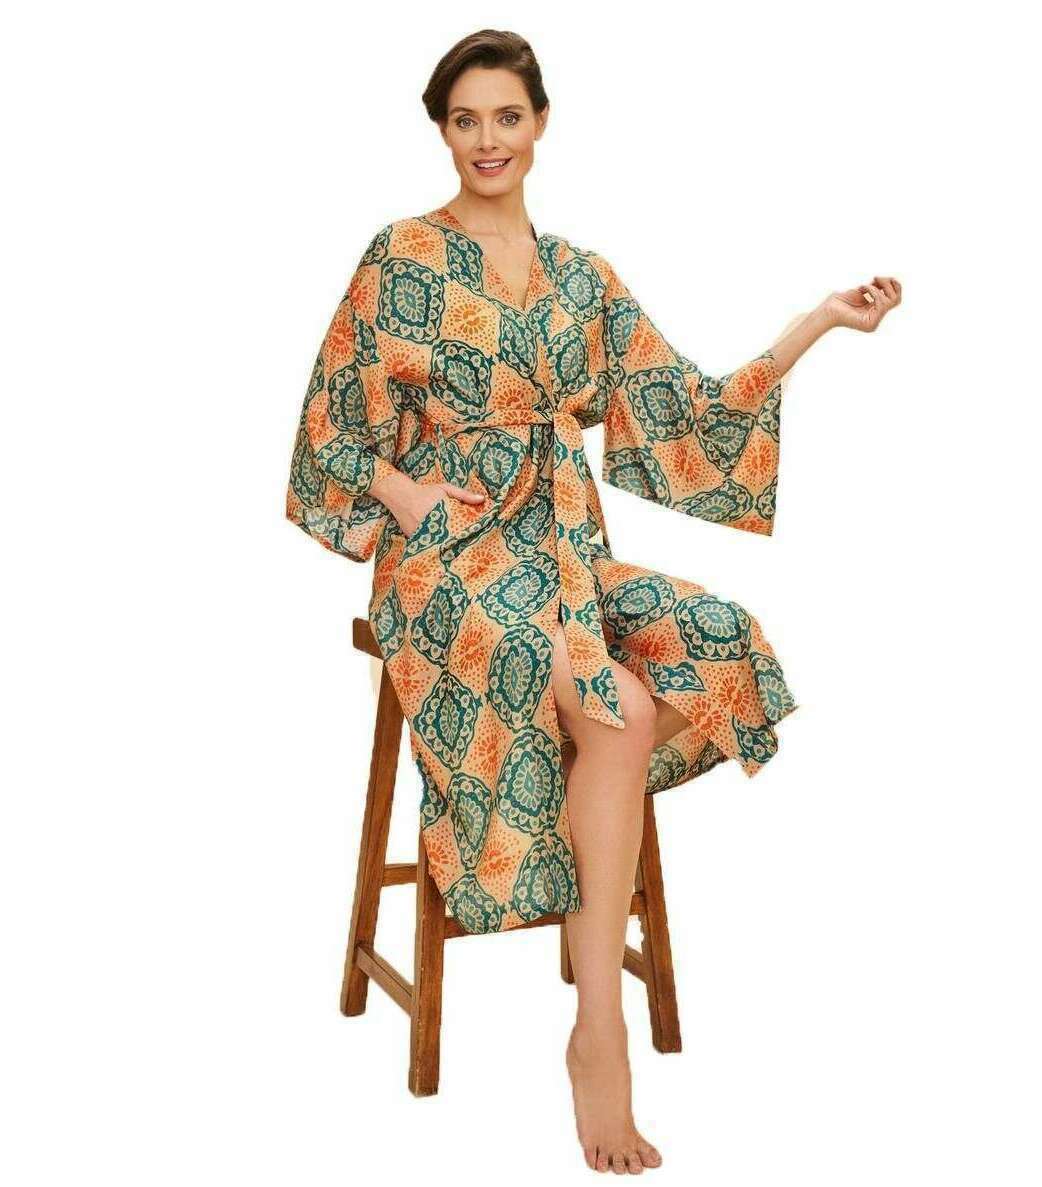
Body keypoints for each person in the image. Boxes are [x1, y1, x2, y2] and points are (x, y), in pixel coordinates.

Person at [285, 27, 901, 1177]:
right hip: (445, 560)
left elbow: (688, 406)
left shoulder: (581, 277)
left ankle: (581, 864)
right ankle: (598, 1034)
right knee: (609, 700)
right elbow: (330, 427)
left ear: (539, 124)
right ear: (442, 130)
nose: (487, 139)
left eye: (506, 116)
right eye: (465, 119)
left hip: (563, 552)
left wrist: (817, 323)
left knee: (712, 635)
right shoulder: (400, 257)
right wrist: (406, 492)